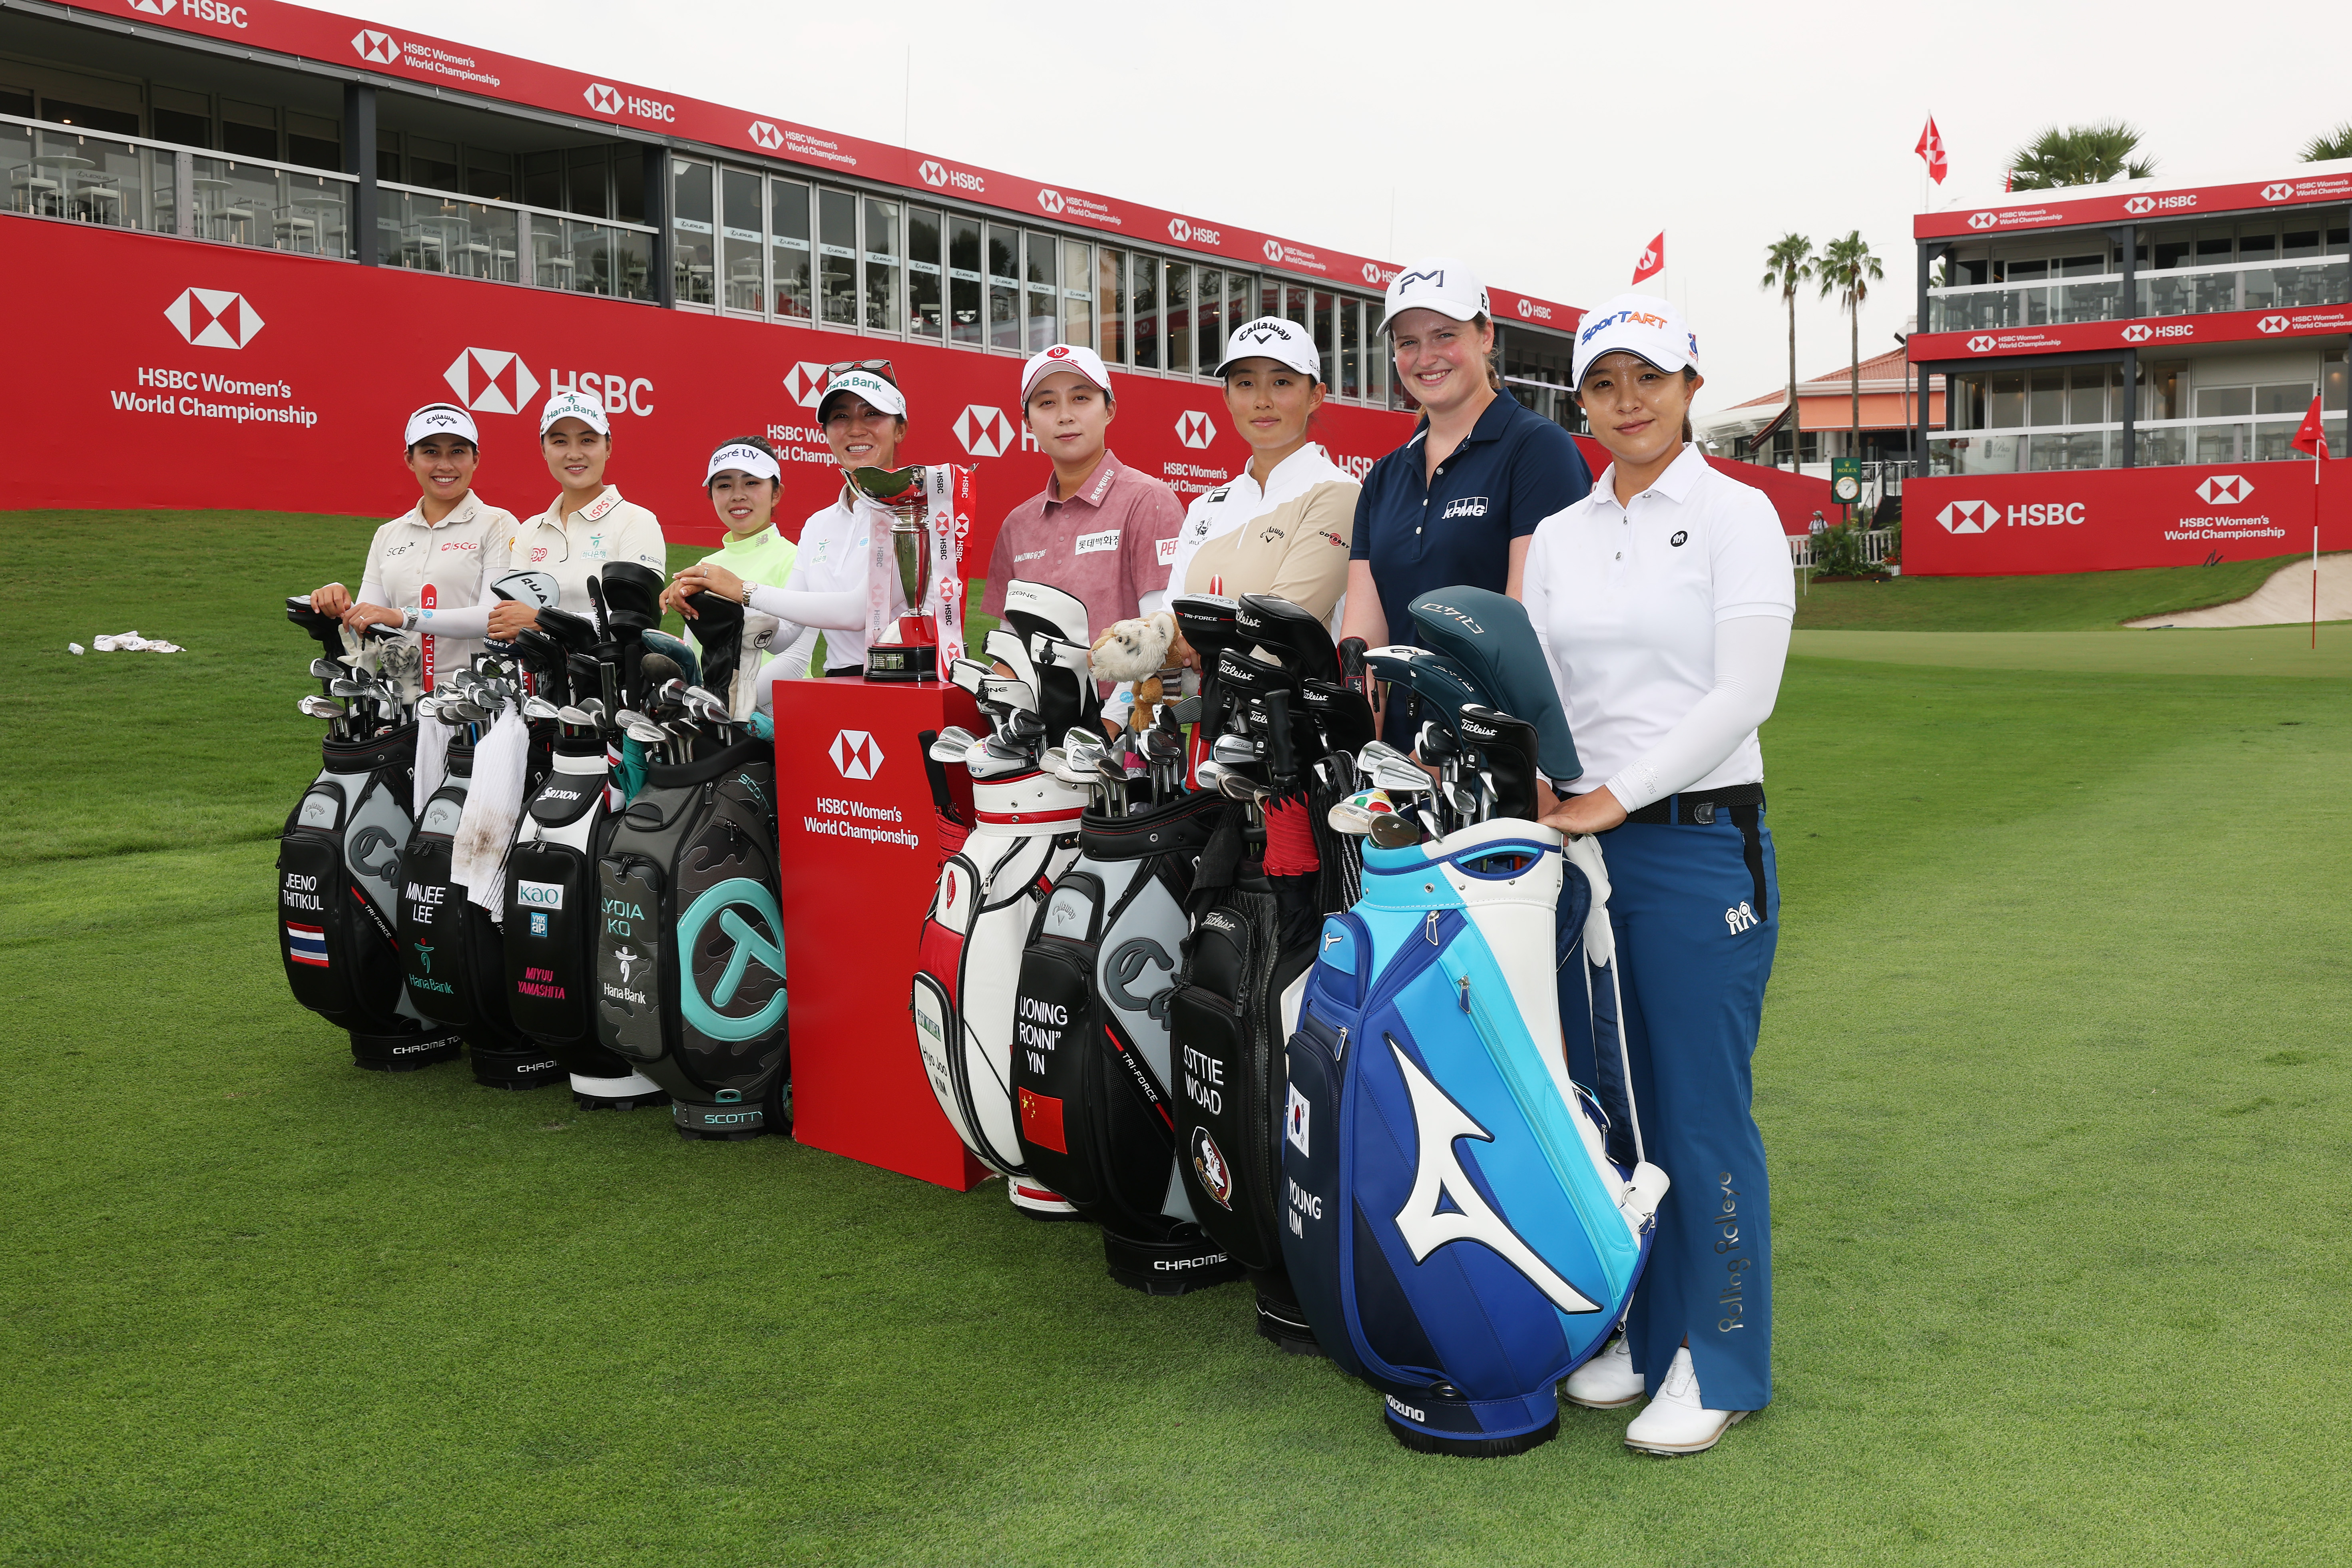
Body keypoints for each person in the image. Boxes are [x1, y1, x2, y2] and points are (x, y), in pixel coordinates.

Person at [1517, 293, 1794, 1457]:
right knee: (1609, 1102)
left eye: (1647, 380)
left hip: (1691, 840)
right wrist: (1540, 782)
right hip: (1583, 844)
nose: (1625, 403)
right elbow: (1540, 683)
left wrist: (1609, 798)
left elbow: (1741, 695)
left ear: (1688, 388)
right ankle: (1643, 1322)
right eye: (1602, 384)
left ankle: (1720, 1356)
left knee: (1694, 1105)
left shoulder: (1737, 514)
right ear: (1580, 401)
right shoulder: (1568, 530)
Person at [1338, 259, 1592, 745]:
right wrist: (1359, 755)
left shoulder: (1538, 449)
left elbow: (1524, 631)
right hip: (1397, 766)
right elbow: (1363, 646)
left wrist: (1455, 748)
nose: (1425, 356)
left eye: (1443, 335)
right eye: (1407, 343)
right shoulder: (1384, 477)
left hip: (1499, 755)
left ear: (1486, 336)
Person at [668, 366, 912, 679]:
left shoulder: (915, 511)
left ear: (900, 429)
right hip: (840, 682)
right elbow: (782, 637)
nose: (855, 429)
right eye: (840, 417)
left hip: (910, 681)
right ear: (825, 433)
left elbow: (858, 612)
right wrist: (708, 602)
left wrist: (742, 589)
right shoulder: (818, 525)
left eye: (872, 414)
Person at [1166, 316, 1358, 644]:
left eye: (1281, 382)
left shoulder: (1341, 494)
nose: (1262, 401)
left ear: (1315, 395)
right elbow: (1168, 621)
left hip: (1292, 695)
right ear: (1226, 397)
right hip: (1205, 696)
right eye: (1245, 384)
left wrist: (1195, 641)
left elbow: (1284, 627)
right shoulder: (1203, 507)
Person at [308, 401, 521, 691]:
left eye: (457, 452)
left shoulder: (498, 523)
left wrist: (404, 616)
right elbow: (366, 626)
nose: (445, 465)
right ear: (410, 459)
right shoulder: (389, 533)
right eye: (430, 452)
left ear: (476, 459)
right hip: (400, 699)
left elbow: (492, 618)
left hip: (475, 698)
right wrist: (338, 603)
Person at [979, 343, 1184, 635]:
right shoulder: (1017, 525)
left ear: (1109, 410)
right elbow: (1009, 643)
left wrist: (1122, 683)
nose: (1065, 416)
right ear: (1028, 422)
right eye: (1047, 403)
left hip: (1126, 682)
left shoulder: (1147, 499)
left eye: (1080, 398)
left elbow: (1161, 634)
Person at [487, 389, 667, 645]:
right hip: (544, 682)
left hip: (617, 683)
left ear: (608, 447)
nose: (574, 454)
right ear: (544, 450)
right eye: (560, 442)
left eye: (587, 441)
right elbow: (512, 619)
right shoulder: (530, 530)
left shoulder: (637, 521)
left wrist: (542, 620)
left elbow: (637, 623)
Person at [657, 434, 806, 682]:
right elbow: (694, 654)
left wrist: (728, 704)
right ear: (712, 495)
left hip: (777, 713)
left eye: (752, 483)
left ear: (776, 493)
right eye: (725, 485)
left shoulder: (798, 560)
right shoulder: (703, 567)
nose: (738, 496)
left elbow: (794, 662)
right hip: (713, 713)